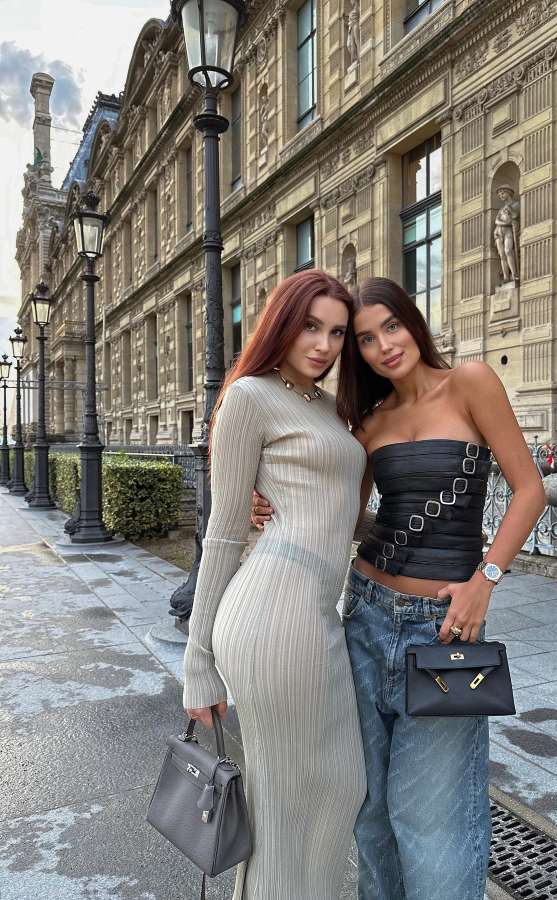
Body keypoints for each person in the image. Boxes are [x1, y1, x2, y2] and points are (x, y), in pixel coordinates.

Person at [253, 277, 546, 900]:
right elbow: (346, 519)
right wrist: (274, 503)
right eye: (365, 339)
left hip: (443, 628)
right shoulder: (368, 423)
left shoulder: (470, 383)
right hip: (364, 613)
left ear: (413, 323)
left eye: (391, 326)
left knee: (433, 816)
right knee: (371, 810)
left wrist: (485, 580)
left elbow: (530, 490)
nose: (384, 345)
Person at [182, 270, 369, 900]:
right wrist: (197, 661)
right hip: (271, 612)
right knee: (285, 803)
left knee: (340, 787)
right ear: (282, 323)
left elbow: (333, 508)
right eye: (310, 326)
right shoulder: (249, 396)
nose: (323, 344)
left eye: (337, 332)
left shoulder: (326, 406)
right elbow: (223, 533)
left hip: (317, 613)